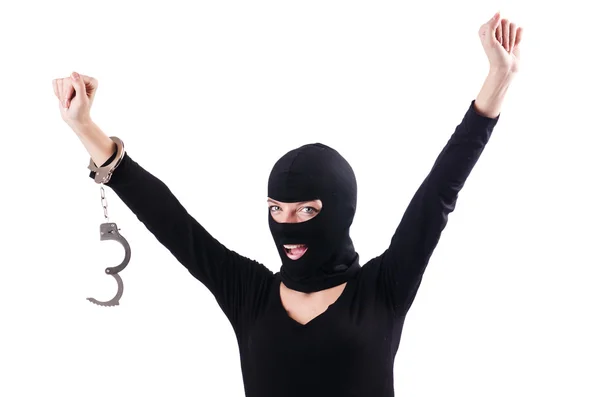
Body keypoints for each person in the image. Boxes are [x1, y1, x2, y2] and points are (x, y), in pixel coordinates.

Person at [52, 12, 523, 397]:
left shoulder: (384, 288)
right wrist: (84, 128)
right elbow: (170, 220)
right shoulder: (248, 293)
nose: (287, 225)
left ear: (340, 211)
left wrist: (498, 78)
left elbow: (439, 192)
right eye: (277, 209)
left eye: (306, 210)